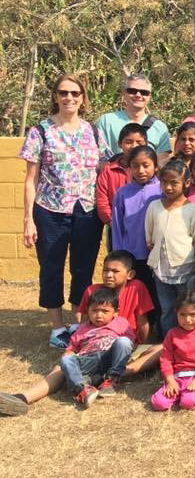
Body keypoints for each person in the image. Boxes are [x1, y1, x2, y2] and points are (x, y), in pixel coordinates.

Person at [0, 251, 153, 416]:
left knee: (159, 348)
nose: (109, 275)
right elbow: (86, 325)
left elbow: (142, 320)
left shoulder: (137, 287)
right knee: (63, 365)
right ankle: (22, 398)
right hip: (94, 350)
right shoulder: (92, 290)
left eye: (115, 271)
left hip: (123, 348)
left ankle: (112, 377)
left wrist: (142, 344)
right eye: (106, 270)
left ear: (129, 274)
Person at [21, 74, 112, 339]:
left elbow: (104, 169)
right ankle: (57, 327)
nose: (69, 98)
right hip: (50, 210)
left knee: (83, 267)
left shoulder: (93, 131)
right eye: (63, 93)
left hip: (86, 210)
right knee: (51, 267)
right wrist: (28, 219)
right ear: (55, 96)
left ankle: (77, 322)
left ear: (83, 97)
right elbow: (31, 179)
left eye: (74, 93)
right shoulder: (40, 131)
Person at [145, 159, 195, 336]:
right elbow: (149, 235)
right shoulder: (154, 206)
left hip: (186, 268)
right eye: (164, 182)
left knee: (187, 307)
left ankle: (188, 342)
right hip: (160, 268)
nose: (168, 187)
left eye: (174, 183)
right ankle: (168, 343)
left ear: (186, 183)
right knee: (167, 308)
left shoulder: (193, 209)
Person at [53, 287, 134, 409]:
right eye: (94, 310)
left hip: (109, 357)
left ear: (116, 312)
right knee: (66, 360)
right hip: (88, 360)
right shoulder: (83, 328)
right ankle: (82, 389)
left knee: (124, 341)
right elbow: (72, 348)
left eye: (105, 311)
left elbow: (129, 343)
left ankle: (111, 379)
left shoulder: (121, 322)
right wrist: (69, 353)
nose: (99, 315)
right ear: (87, 311)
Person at [112, 145, 162, 330]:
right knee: (138, 295)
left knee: (158, 295)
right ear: (129, 167)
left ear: (155, 166)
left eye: (146, 165)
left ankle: (158, 330)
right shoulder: (123, 193)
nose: (141, 170)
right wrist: (120, 256)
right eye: (135, 166)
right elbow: (117, 226)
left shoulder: (162, 190)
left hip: (157, 255)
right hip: (133, 256)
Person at [150, 291, 195, 412]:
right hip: (177, 377)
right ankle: (179, 393)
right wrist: (170, 381)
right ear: (176, 313)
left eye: (193, 314)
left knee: (188, 402)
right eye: (182, 314)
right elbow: (166, 359)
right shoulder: (172, 334)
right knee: (159, 403)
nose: (187, 320)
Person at [95, 73, 172, 164]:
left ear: (149, 97)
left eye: (144, 92)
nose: (138, 95)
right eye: (132, 91)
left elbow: (161, 164)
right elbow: (98, 157)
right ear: (125, 93)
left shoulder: (159, 127)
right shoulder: (106, 121)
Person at [95, 122, 147, 229]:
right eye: (128, 142)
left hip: (144, 226)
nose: (134, 146)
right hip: (116, 225)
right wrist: (111, 221)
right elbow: (102, 199)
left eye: (139, 142)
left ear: (146, 144)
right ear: (119, 144)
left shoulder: (150, 171)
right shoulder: (109, 170)